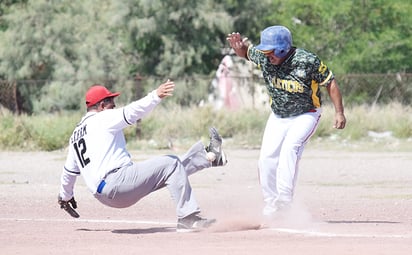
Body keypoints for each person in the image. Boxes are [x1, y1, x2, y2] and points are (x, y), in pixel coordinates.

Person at [57, 80, 227, 232]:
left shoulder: (75, 135)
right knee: (171, 163)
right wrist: (155, 95)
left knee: (169, 170)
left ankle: (210, 156)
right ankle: (188, 218)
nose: (114, 106)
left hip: (107, 195)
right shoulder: (102, 119)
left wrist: (64, 197)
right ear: (101, 105)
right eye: (111, 102)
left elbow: (69, 173)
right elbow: (132, 112)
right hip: (118, 183)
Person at [226, 25, 346, 217]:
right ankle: (271, 204)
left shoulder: (307, 60)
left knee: (290, 149)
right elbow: (246, 53)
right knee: (266, 159)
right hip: (279, 115)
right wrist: (239, 47)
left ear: (282, 48)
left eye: (270, 50)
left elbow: (330, 82)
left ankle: (284, 201)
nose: (266, 55)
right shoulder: (265, 57)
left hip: (306, 113)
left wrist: (339, 112)